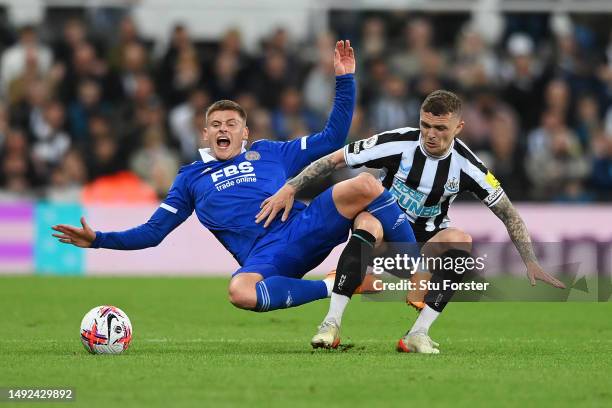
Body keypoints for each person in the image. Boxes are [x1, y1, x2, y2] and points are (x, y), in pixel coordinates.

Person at [51, 41, 417, 314]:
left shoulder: (271, 152)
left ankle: (417, 273)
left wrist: (345, 80)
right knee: (240, 292)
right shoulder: (190, 179)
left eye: (231, 124)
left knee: (367, 185)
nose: (222, 129)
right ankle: (335, 283)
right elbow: (152, 233)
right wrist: (99, 240)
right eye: (215, 125)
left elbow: (333, 139)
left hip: (308, 225)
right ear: (205, 134)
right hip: (268, 255)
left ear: (245, 133)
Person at [259, 89, 566, 352]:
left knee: (461, 241)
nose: (431, 134)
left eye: (440, 128)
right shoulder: (397, 143)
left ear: (459, 126)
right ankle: (331, 324)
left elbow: (508, 213)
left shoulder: (470, 166)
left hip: (424, 248)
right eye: (425, 125)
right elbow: (334, 159)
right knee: (367, 220)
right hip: (384, 239)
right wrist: (290, 187)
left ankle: (417, 334)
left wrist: (530, 259)